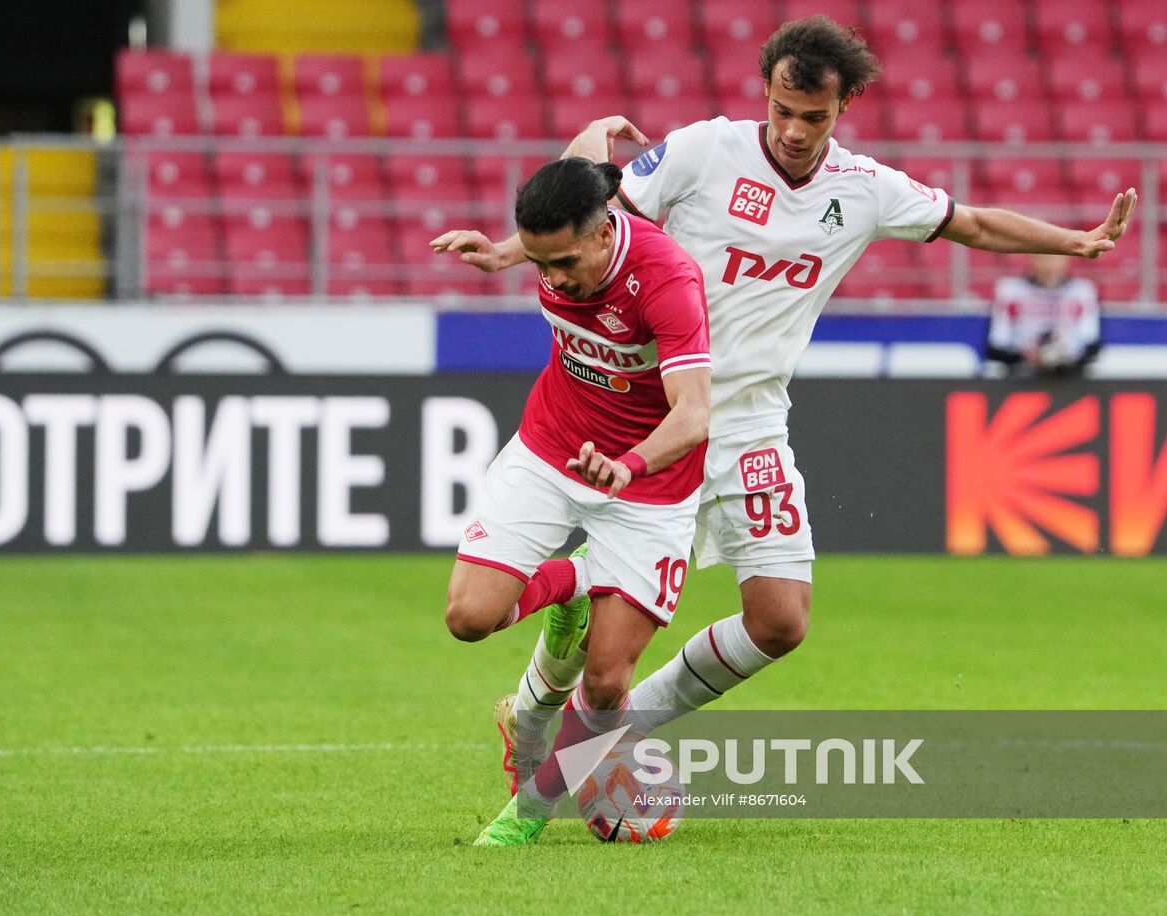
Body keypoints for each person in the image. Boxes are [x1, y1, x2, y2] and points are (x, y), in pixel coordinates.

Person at [431, 15, 1138, 838]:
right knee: (605, 629)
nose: (796, 132)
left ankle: (604, 727)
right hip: (656, 417)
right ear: (763, 92)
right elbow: (596, 216)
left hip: (752, 423)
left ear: (846, 108)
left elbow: (970, 223)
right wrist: (507, 253)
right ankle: (555, 727)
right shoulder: (702, 152)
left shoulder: (865, 189)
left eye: (815, 117)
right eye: (783, 111)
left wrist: (1078, 243)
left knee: (780, 622)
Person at [437, 156, 712, 846]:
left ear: (601, 234)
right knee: (469, 618)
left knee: (607, 683)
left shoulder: (667, 279)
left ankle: (526, 814)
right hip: (551, 447)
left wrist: (630, 463)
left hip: (647, 481)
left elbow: (694, 414)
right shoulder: (566, 236)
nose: (552, 279)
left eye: (560, 262)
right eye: (539, 263)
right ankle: (574, 590)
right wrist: (503, 256)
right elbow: (590, 150)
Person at [985, 253, 1102, 377]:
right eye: (1043, 258)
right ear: (1031, 258)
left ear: (1066, 259)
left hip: (1070, 374)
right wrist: (1025, 354)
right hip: (1022, 374)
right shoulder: (1010, 290)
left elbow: (1091, 343)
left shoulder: (1082, 290)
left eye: (1054, 258)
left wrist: (1067, 355)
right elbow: (996, 344)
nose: (1049, 265)